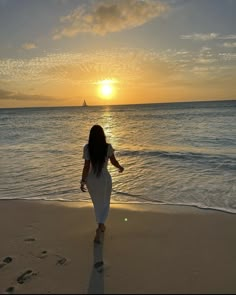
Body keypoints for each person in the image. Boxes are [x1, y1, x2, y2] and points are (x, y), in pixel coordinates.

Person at [80, 125, 124, 243]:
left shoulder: (87, 148)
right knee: (105, 203)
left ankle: (100, 224)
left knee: (97, 203)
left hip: (92, 180)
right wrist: (120, 167)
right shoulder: (107, 147)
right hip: (104, 179)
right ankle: (101, 225)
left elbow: (86, 166)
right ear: (102, 135)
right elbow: (113, 161)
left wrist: (83, 180)